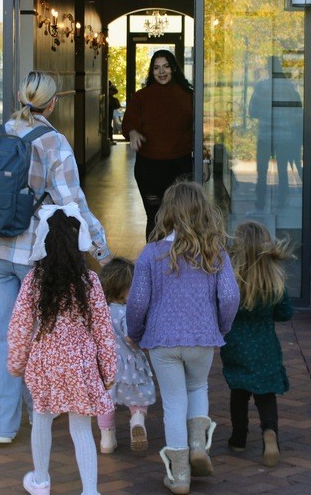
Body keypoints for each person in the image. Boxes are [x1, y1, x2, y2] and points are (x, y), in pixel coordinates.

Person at [0, 71, 112, 445]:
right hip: (34, 253)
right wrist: (101, 250)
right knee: (40, 335)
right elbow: (73, 203)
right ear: (52, 104)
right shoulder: (53, 142)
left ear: (17, 98)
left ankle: (2, 427)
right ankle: (39, 412)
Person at [126, 181, 240, 494]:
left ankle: (179, 476)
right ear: (203, 211)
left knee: (174, 401)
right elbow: (230, 296)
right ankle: (198, 445)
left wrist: (134, 333)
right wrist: (221, 326)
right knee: (198, 386)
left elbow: (137, 302)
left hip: (162, 339)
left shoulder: (151, 254)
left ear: (168, 212)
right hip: (202, 336)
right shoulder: (215, 252)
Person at [6, 205, 117, 495]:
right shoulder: (89, 281)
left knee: (42, 419)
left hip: (45, 361)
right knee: (81, 428)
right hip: (81, 363)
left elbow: (20, 326)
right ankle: (90, 490)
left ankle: (41, 481)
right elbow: (103, 331)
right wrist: (108, 371)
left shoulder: (35, 281)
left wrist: (16, 362)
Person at [220, 220, 294, 467]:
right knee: (266, 394)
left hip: (236, 346)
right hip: (265, 347)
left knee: (239, 393)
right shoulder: (274, 278)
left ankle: (238, 439)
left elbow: (222, 308)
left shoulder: (231, 277)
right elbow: (285, 313)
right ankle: (270, 433)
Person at [121, 50, 194, 240]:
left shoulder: (188, 96)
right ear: (151, 71)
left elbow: (199, 129)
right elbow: (128, 123)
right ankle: (153, 258)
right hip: (149, 169)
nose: (161, 72)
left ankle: (180, 257)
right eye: (156, 68)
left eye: (166, 66)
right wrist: (133, 132)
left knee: (181, 219)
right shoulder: (141, 97)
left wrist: (205, 159)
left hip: (181, 167)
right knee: (155, 217)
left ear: (173, 68)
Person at [96, 257, 156, 454]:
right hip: (131, 365)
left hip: (105, 366)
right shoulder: (128, 312)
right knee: (138, 396)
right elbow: (131, 337)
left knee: (106, 402)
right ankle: (137, 420)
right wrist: (143, 344)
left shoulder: (100, 311)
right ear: (124, 289)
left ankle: (107, 439)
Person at [249, 56, 303, 211]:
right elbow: (297, 112)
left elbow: (252, 111)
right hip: (285, 137)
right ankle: (281, 202)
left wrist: (265, 112)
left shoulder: (261, 86)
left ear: (268, 68)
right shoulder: (290, 86)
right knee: (282, 171)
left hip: (265, 135)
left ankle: (260, 202)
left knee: (262, 172)